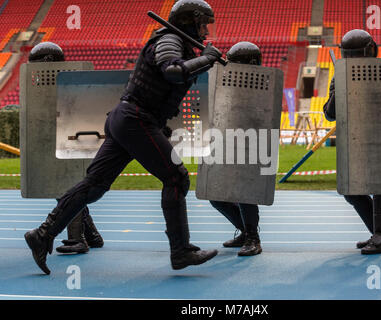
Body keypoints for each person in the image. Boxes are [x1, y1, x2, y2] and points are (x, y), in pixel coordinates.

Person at [24, 0, 222, 274]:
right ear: (190, 22)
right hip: (135, 120)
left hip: (129, 119)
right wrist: (207, 59)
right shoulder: (170, 41)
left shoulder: (176, 43)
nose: (205, 30)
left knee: (95, 184)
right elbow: (173, 72)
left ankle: (43, 234)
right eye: (202, 23)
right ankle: (181, 251)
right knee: (176, 178)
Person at [28, 41, 104, 255]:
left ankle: (76, 240)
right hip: (71, 144)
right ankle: (91, 236)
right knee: (68, 190)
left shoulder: (58, 87)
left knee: (67, 189)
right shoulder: (63, 85)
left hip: (70, 144)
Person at [323, 29, 381, 255]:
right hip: (354, 140)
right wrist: (339, 88)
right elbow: (330, 113)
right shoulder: (338, 77)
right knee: (351, 191)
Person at [210, 41, 263, 256]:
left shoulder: (263, 83)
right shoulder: (227, 83)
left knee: (245, 192)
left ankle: (253, 237)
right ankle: (244, 230)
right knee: (215, 195)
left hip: (252, 142)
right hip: (228, 141)